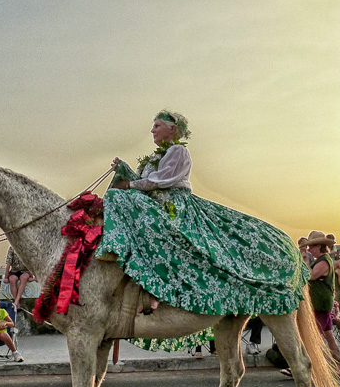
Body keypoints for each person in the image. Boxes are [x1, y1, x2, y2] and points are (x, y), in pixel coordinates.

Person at [96, 110, 310, 353]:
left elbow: (160, 181)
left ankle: (128, 262)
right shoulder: (160, 155)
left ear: (172, 130)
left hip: (175, 206)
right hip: (159, 202)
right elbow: (147, 181)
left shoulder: (178, 151)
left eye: (157, 125)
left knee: (119, 199)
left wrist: (130, 185)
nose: (152, 130)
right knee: (122, 198)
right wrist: (123, 170)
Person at [281, 231, 340, 378]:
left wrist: (305, 260)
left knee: (310, 338)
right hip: (323, 304)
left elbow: (310, 276)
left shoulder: (323, 262)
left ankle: (304, 367)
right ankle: (339, 368)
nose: (310, 250)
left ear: (319, 246)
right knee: (329, 337)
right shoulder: (324, 260)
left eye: (312, 247)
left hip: (319, 305)